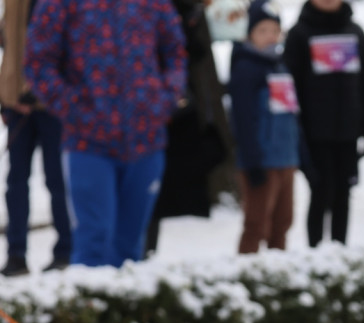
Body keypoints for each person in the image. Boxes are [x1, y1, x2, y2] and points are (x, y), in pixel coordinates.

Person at [24, 0, 186, 268]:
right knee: (94, 243)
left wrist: (163, 98)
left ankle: (127, 308)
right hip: (88, 142)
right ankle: (88, 306)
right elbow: (38, 62)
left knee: (131, 248)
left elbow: (176, 52)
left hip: (146, 140)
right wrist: (74, 107)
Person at [283, 0, 364, 246]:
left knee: (343, 195)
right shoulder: (299, 34)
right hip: (314, 135)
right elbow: (290, 89)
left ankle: (339, 251)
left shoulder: (355, 32)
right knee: (320, 193)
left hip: (348, 133)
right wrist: (296, 134)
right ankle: (315, 254)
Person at [145, 0, 233, 257]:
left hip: (171, 114)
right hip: (130, 114)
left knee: (154, 195)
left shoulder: (179, 15)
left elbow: (188, 53)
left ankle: (145, 255)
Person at [0, 0, 72, 277]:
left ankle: (65, 250)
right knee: (15, 182)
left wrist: (38, 89)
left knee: (57, 180)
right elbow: (11, 44)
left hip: (50, 105)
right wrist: (7, 95)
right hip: (16, 103)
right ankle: (16, 254)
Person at [228, 0, 300, 254]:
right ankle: (246, 276)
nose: (270, 37)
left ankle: (277, 276)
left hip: (286, 158)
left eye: (274, 30)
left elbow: (291, 115)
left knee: (283, 222)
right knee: (257, 223)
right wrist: (252, 159)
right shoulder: (245, 69)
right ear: (249, 34)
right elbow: (242, 119)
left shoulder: (281, 66)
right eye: (262, 31)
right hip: (260, 161)